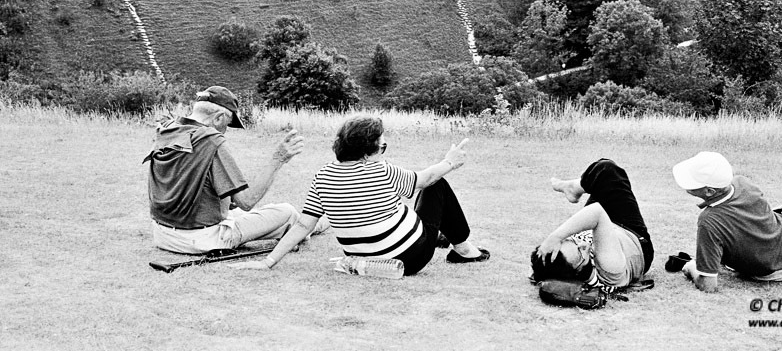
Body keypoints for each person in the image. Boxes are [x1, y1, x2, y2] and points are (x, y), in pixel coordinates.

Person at [232, 115, 490, 273]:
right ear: (367, 153)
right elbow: (426, 179)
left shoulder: (324, 176)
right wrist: (450, 161)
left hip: (362, 259)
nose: (383, 151)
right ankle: (464, 250)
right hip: (410, 258)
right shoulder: (380, 170)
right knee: (437, 185)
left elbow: (303, 224)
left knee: (413, 200)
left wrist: (269, 262)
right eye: (382, 146)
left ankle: (444, 237)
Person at [144, 85, 305, 254]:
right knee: (287, 212)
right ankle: (315, 223)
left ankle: (311, 223)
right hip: (201, 239)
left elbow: (182, 182)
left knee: (250, 214)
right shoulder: (211, 140)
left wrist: (224, 199)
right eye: (227, 124)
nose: (226, 130)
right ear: (219, 118)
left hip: (163, 234)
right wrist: (278, 159)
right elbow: (247, 202)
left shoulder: (167, 130)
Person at [672, 151, 782, 293]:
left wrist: (691, 268)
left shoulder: (708, 221)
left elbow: (708, 285)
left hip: (774, 273)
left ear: (710, 191)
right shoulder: (742, 182)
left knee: (777, 236)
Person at [531, 159, 654, 291]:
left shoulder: (561, 268)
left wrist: (541, 264)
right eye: (580, 252)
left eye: (572, 241)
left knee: (600, 180)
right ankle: (574, 188)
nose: (583, 244)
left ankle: (574, 187)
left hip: (600, 225)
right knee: (606, 170)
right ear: (578, 272)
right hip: (629, 234)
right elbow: (596, 212)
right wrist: (555, 238)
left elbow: (541, 268)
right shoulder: (610, 267)